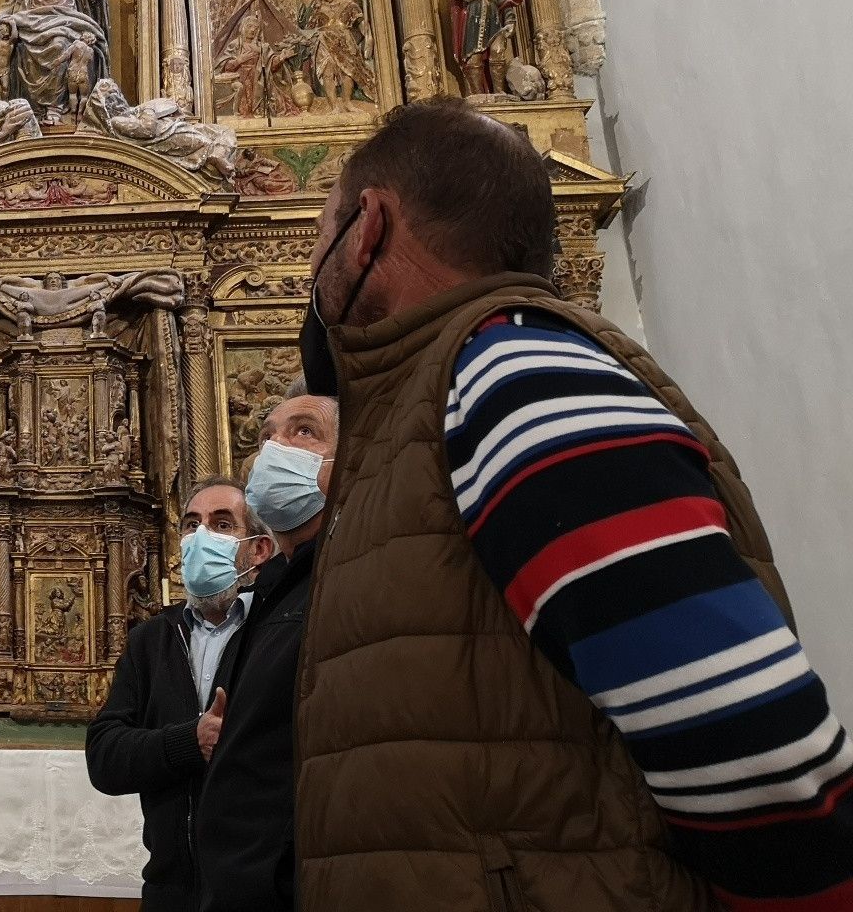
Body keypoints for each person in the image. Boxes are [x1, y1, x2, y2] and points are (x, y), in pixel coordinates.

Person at [296, 98, 853, 910]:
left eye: (321, 235)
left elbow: (758, 754)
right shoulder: (448, 389)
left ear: (369, 226)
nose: (314, 267)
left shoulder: (513, 373)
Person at [87, 477, 276, 911]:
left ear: (259, 550)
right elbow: (104, 757)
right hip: (169, 890)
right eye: (192, 525)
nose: (200, 537)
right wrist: (188, 741)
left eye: (222, 524)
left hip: (259, 893)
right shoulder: (151, 640)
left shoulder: (277, 631)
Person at [195, 397, 338, 912]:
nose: (275, 448)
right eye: (267, 435)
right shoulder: (274, 590)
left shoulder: (348, 581)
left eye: (304, 432)